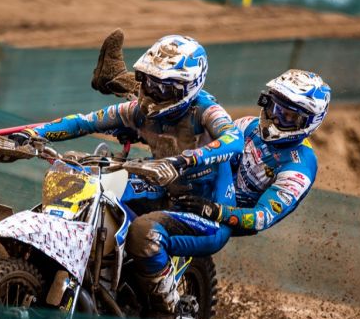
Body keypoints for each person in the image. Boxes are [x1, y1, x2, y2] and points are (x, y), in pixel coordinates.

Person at [0, 31, 243, 319]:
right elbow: (83, 122)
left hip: (208, 213)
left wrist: (184, 160)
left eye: (163, 88)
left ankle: (166, 312)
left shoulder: (206, 111)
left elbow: (234, 139)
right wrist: (30, 135)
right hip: (163, 189)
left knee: (144, 235)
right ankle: (97, 272)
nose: (151, 93)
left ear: (187, 88)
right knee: (95, 187)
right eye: (147, 81)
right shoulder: (138, 110)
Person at [90, 30, 331, 239]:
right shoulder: (249, 126)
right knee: (190, 110)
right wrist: (145, 133)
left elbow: (262, 217)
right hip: (203, 183)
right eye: (274, 107)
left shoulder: (299, 167)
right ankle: (119, 81)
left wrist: (214, 210)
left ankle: (116, 80)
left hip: (223, 212)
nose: (276, 118)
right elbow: (210, 144)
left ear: (309, 122)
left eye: (289, 117)